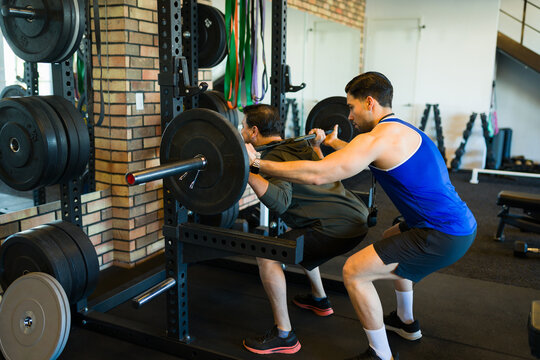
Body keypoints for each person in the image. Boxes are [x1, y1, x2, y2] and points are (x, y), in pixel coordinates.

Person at [245, 72, 477, 360]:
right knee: (393, 237)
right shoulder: (401, 131)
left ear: (369, 103)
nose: (349, 116)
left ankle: (381, 354)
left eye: (351, 107)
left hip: (442, 233)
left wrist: (257, 163)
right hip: (458, 224)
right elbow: (367, 154)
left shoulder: (377, 138)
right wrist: (332, 144)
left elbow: (319, 174)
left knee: (354, 271)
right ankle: (405, 322)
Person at [240, 104, 370, 355]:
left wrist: (248, 168)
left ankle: (284, 335)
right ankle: (319, 299)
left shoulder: (272, 157)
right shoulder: (299, 144)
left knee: (267, 255)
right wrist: (318, 146)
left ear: (254, 131)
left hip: (335, 228)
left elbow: (280, 201)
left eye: (243, 126)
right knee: (297, 233)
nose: (241, 130)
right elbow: (327, 173)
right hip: (356, 219)